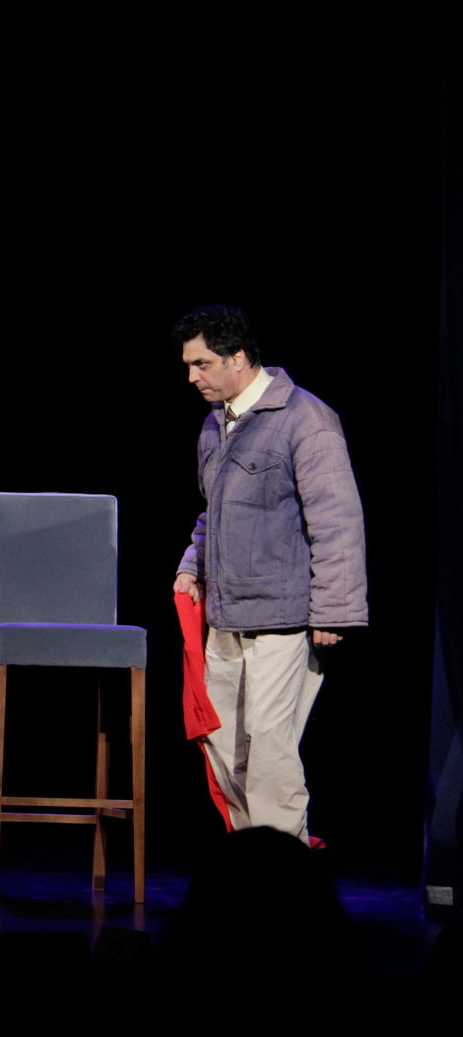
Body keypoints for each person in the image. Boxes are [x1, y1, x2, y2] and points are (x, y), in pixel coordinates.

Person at [172, 304, 366, 844]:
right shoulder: (216, 424)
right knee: (224, 746)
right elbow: (214, 512)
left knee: (268, 751)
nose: (192, 377)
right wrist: (192, 564)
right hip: (226, 617)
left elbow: (337, 521)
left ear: (237, 357)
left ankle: (283, 872)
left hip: (283, 620)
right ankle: (253, 860)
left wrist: (333, 612)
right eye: (188, 365)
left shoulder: (306, 419)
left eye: (202, 363)